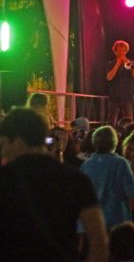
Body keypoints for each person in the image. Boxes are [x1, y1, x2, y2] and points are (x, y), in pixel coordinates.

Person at [0, 108, 108, 262]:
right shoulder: (76, 179)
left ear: (17, 141)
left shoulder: (5, 179)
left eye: (3, 144)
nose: (3, 151)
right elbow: (98, 240)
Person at [106, 40, 134, 127]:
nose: (121, 53)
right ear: (115, 51)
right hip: (114, 95)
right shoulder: (111, 63)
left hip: (127, 96)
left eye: (123, 50)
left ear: (126, 51)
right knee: (111, 121)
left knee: (129, 122)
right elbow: (109, 78)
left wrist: (128, 64)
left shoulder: (132, 63)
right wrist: (117, 64)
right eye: (119, 50)